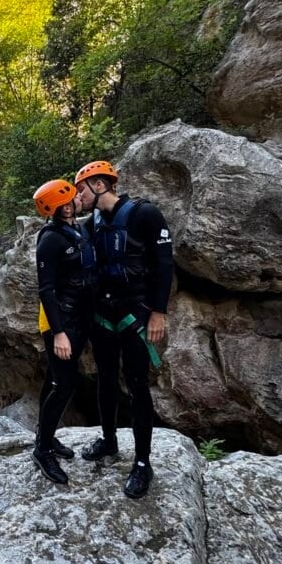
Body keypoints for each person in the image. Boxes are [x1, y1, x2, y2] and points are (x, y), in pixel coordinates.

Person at [73, 160, 173, 498]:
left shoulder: (145, 215)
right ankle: (109, 440)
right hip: (103, 313)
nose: (78, 195)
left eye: (81, 189)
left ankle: (143, 462)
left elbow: (164, 265)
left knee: (136, 383)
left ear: (100, 184)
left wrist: (158, 313)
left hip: (135, 313)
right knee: (104, 378)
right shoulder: (91, 224)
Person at [31, 179, 96, 484]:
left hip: (78, 316)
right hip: (59, 320)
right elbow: (46, 289)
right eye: (64, 204)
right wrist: (59, 333)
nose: (71, 205)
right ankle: (42, 450)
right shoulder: (50, 240)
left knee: (53, 380)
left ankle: (45, 436)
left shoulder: (78, 229)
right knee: (64, 385)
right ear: (55, 210)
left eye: (71, 200)